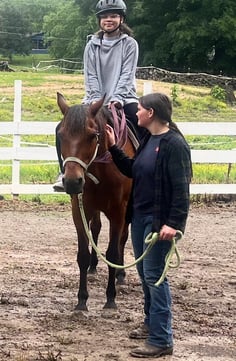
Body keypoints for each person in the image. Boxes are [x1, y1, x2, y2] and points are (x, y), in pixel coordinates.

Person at [105, 92, 192, 358]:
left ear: (151, 113)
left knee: (155, 277)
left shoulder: (173, 144)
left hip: (159, 223)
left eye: (140, 109)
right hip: (141, 218)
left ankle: (161, 339)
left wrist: (173, 224)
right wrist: (112, 147)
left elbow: (181, 190)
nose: (137, 112)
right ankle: (150, 323)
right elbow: (133, 169)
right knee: (145, 274)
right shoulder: (148, 139)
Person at [53, 0, 145, 191]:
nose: (108, 20)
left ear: (121, 18)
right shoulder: (91, 45)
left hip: (124, 98)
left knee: (141, 123)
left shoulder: (130, 44)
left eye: (113, 16)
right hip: (94, 100)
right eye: (104, 16)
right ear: (99, 20)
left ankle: (145, 170)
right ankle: (63, 172)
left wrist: (116, 99)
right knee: (61, 128)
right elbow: (91, 75)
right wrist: (96, 99)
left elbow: (127, 75)